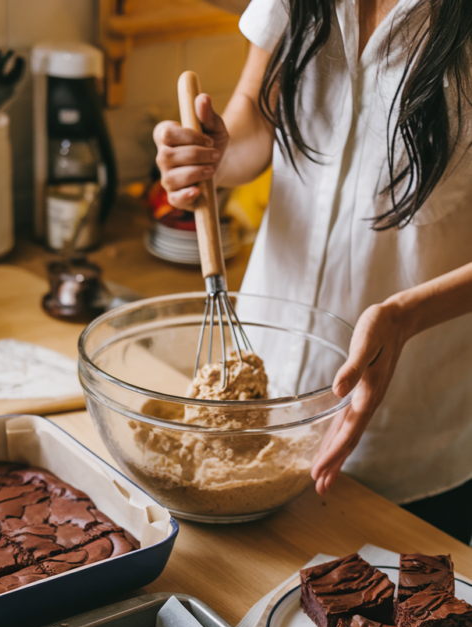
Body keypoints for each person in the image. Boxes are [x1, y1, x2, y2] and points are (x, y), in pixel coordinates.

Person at [154, 0, 472, 543]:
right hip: (263, 416)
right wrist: (207, 157)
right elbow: (253, 123)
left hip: (406, 444)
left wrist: (407, 314)